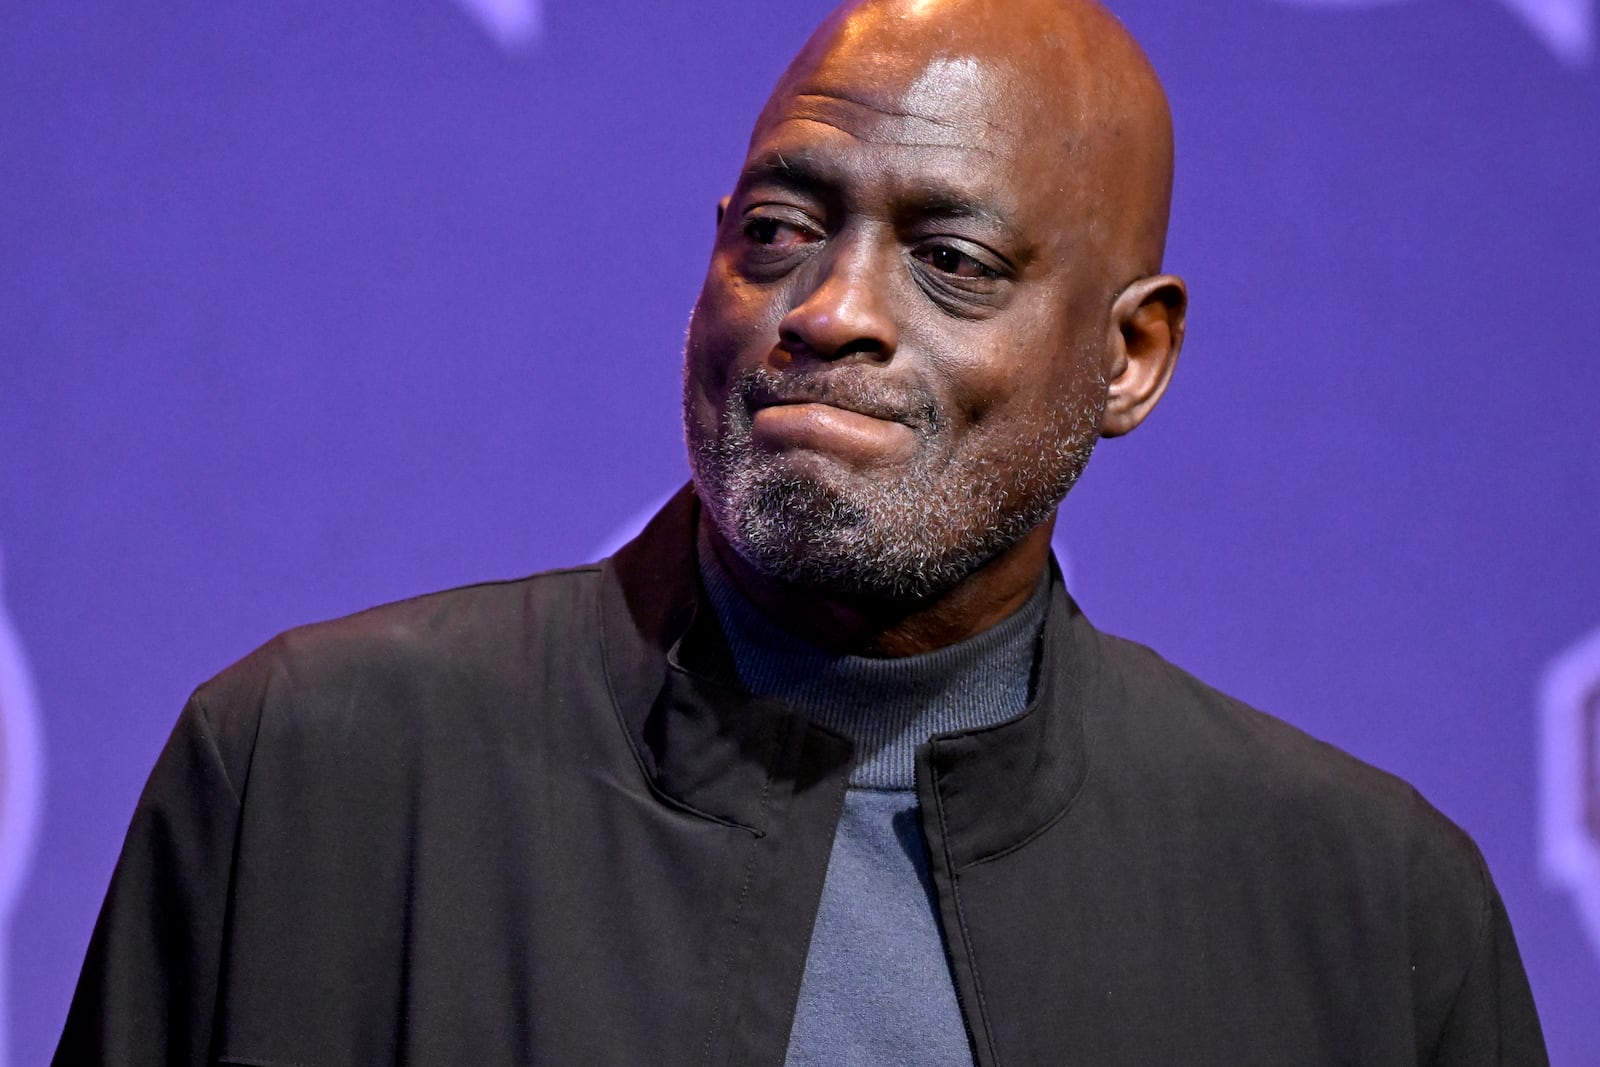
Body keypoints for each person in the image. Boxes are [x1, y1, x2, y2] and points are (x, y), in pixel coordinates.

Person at [57, 0, 1547, 1063]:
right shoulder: (315, 777)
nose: (829, 312)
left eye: (951, 261)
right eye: (777, 230)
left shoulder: (1366, 914)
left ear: (1131, 359)